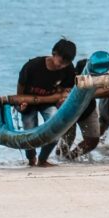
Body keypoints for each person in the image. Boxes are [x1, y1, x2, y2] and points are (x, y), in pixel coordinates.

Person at [17, 38, 77, 167]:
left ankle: (43, 159)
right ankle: (31, 159)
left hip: (49, 102)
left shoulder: (68, 69)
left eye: (67, 63)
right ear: (54, 53)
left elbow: (68, 87)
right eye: (61, 61)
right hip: (29, 101)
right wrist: (20, 101)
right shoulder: (33, 66)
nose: (63, 65)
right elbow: (21, 84)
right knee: (29, 133)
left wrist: (63, 94)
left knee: (56, 129)